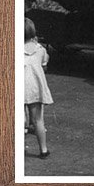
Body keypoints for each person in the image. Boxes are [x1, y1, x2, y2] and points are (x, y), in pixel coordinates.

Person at [23, 17, 53, 159]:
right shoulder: (40, 49)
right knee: (38, 120)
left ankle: (20, 147)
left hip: (20, 88)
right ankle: (43, 149)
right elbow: (44, 64)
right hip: (35, 89)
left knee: (20, 119)